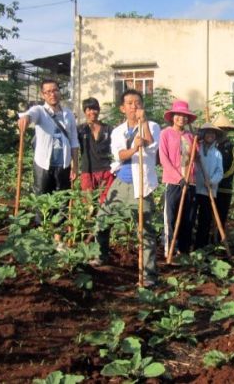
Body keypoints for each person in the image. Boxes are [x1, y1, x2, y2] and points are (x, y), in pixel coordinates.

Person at [96, 89, 160, 286]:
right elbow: (120, 155)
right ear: (122, 108)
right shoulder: (117, 131)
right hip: (121, 182)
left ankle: (149, 275)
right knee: (102, 218)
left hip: (141, 183)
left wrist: (143, 125)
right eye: (130, 103)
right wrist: (134, 148)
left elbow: (152, 146)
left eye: (137, 102)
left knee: (145, 228)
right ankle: (101, 255)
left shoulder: (153, 125)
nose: (134, 106)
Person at [17, 79, 79, 229]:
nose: (53, 94)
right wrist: (25, 119)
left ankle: (58, 238)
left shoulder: (68, 114)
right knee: (42, 201)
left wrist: (75, 166)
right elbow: (29, 115)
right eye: (48, 92)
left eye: (55, 90)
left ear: (60, 92)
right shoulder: (40, 111)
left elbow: (74, 141)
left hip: (63, 164)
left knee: (62, 202)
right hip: (43, 164)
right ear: (43, 94)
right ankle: (43, 235)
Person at [159, 100, 198, 256]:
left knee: (188, 218)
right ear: (172, 116)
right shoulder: (165, 133)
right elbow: (163, 158)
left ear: (187, 119)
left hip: (190, 182)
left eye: (184, 116)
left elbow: (196, 157)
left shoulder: (190, 136)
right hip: (174, 182)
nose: (181, 118)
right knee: (171, 216)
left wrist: (197, 141)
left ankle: (184, 250)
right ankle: (170, 249)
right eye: (178, 115)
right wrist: (178, 177)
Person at [193, 122, 225, 250]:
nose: (210, 135)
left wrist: (211, 181)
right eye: (208, 133)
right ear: (203, 134)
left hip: (209, 191)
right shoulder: (197, 147)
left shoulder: (217, 153)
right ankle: (188, 245)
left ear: (215, 136)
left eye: (213, 133)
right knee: (190, 218)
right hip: (194, 188)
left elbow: (220, 172)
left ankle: (201, 247)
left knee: (205, 220)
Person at [77, 97, 113, 191]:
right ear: (85, 111)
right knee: (87, 203)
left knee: (106, 201)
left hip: (106, 170)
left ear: (99, 110)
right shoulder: (80, 130)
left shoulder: (108, 129)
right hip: (87, 171)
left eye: (95, 109)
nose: (92, 112)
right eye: (89, 109)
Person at [212, 114, 234, 231]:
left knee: (220, 217)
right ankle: (208, 242)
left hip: (224, 188)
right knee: (209, 217)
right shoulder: (211, 146)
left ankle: (219, 243)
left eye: (223, 129)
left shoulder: (230, 146)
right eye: (219, 129)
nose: (221, 132)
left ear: (227, 131)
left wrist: (219, 179)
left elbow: (232, 168)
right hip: (210, 187)